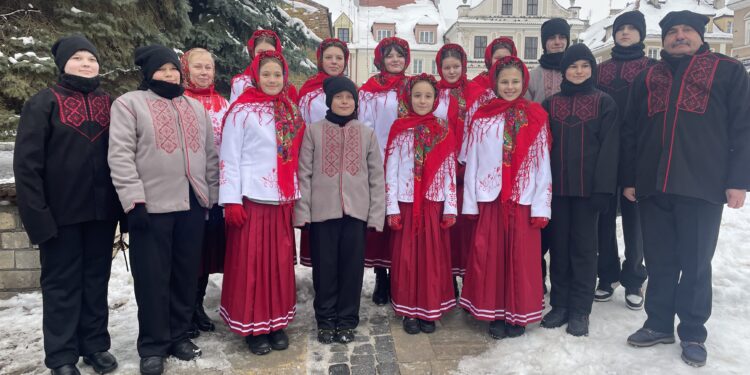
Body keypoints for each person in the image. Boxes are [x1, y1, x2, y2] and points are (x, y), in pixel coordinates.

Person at [622, 11, 750, 367]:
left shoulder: (727, 70)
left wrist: (738, 181)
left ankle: (692, 331)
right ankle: (659, 323)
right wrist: (630, 178)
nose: (679, 36)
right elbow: (631, 130)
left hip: (703, 184)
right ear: (662, 39)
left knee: (695, 262)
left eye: (687, 31)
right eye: (672, 32)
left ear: (700, 35)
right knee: (660, 260)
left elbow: (744, 127)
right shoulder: (648, 77)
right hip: (653, 185)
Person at [14, 35, 122, 375]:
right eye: (78, 58)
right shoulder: (42, 104)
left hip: (101, 214)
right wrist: (38, 219)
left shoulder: (111, 104)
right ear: (62, 63)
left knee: (96, 280)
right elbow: (27, 167)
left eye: (91, 58)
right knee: (61, 285)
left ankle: (94, 344)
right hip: (60, 217)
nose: (86, 64)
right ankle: (61, 355)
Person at [109, 44, 219, 375]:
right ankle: (153, 345)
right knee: (153, 278)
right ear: (148, 73)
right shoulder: (130, 105)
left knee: (185, 274)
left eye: (173, 69)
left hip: (191, 205)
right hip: (151, 207)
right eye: (162, 69)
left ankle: (179, 335)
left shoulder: (195, 108)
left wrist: (210, 199)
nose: (169, 74)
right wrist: (133, 201)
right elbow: (120, 155)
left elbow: (210, 155)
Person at [219, 50, 304, 356]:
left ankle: (276, 323)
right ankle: (253, 326)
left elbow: (295, 157)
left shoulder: (291, 111)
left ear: (285, 78)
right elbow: (228, 156)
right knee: (252, 265)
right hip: (251, 199)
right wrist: (231, 201)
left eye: (277, 75)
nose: (272, 80)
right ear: (256, 75)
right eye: (266, 74)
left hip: (281, 200)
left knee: (279, 263)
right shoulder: (241, 111)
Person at [460, 56, 551, 340]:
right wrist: (471, 202)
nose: (510, 87)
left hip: (523, 199)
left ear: (524, 83)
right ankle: (494, 312)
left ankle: (518, 314)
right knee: (490, 257)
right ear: (494, 83)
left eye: (515, 82)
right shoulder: (483, 117)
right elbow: (473, 160)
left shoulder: (535, 116)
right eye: (504, 82)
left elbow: (542, 162)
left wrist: (541, 205)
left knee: (521, 259)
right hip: (491, 198)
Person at [294, 76, 385, 344]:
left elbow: (376, 177)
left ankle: (346, 320)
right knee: (325, 269)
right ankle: (325, 320)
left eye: (349, 97)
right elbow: (304, 174)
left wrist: (375, 214)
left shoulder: (366, 134)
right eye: (339, 97)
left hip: (356, 213)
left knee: (351, 270)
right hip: (324, 213)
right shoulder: (314, 131)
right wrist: (303, 212)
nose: (344, 102)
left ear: (355, 101)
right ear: (329, 100)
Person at [540, 44, 619, 337]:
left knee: (584, 250)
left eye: (584, 66)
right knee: (559, 248)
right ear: (564, 71)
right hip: (558, 190)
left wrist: (604, 190)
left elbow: (611, 150)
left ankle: (580, 309)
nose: (578, 71)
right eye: (573, 67)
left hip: (589, 192)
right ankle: (559, 304)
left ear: (592, 69)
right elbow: (542, 149)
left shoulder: (605, 103)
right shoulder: (550, 104)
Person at [385, 73, 457, 335]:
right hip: (406, 203)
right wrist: (391, 207)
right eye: (417, 95)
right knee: (406, 259)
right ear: (408, 97)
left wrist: (450, 207)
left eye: (428, 96)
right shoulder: (399, 128)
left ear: (436, 99)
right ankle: (408, 310)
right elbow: (390, 170)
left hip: (432, 203)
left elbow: (449, 169)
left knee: (431, 259)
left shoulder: (443, 129)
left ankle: (429, 309)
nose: (422, 100)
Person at [593, 10, 654, 309]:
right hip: (606, 152)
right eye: (621, 29)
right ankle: (606, 275)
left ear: (641, 33)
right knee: (603, 218)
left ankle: (634, 278)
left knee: (634, 220)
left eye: (632, 28)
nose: (626, 33)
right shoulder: (600, 70)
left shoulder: (652, 69)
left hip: (639, 154)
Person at [179, 48, 230, 335]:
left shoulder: (223, 103)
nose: (204, 72)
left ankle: (197, 306)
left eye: (208, 67)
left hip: (218, 187)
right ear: (186, 68)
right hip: (187, 188)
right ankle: (184, 309)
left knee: (206, 251)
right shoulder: (179, 101)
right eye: (197, 66)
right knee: (188, 252)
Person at [358, 36, 411, 305]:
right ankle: (381, 275)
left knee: (402, 220)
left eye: (400, 55)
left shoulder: (414, 87)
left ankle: (400, 274)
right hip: (379, 160)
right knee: (380, 220)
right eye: (389, 55)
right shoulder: (369, 90)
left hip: (407, 164)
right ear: (380, 59)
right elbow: (365, 126)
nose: (395, 60)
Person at [297, 38, 350, 267]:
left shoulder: (349, 89)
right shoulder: (309, 93)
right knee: (322, 228)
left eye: (339, 58)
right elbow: (302, 127)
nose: (334, 62)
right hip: (318, 162)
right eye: (329, 57)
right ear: (320, 60)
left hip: (346, 167)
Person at [434, 44, 472, 292]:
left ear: (463, 66)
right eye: (446, 67)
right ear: (440, 68)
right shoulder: (433, 93)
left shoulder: (476, 93)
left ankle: (468, 278)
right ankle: (447, 279)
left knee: (466, 229)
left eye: (455, 66)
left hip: (467, 168)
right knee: (444, 225)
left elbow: (478, 128)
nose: (451, 71)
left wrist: (465, 158)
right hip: (440, 168)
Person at [230, 29, 298, 103]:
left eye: (270, 52)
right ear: (253, 53)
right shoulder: (240, 83)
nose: (265, 56)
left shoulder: (288, 89)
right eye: (260, 52)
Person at [526, 18, 570, 103]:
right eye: (552, 38)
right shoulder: (532, 76)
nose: (557, 42)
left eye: (562, 37)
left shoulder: (576, 73)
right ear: (544, 42)